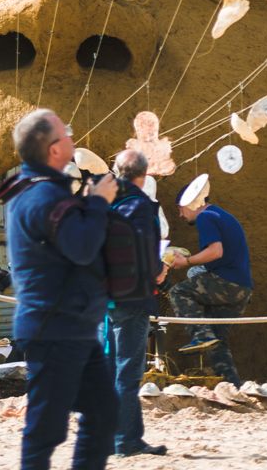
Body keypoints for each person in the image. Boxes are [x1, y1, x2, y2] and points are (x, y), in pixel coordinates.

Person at [0, 109, 118, 470]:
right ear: (53, 150)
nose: (71, 136)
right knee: (46, 429)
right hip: (55, 328)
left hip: (73, 327)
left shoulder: (35, 190)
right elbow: (81, 248)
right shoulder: (44, 197)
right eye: (65, 133)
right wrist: (98, 202)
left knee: (102, 412)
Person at [162, 174, 252, 386]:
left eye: (179, 208)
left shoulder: (206, 217)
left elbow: (215, 251)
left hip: (227, 283)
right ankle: (232, 385)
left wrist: (187, 261)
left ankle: (199, 334)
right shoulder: (219, 214)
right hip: (242, 289)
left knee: (178, 292)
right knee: (217, 341)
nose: (180, 215)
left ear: (189, 203)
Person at [105, 151, 167, 460]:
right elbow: (146, 253)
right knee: (128, 374)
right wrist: (160, 270)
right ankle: (125, 442)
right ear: (145, 175)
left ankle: (114, 437)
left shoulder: (105, 203)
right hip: (134, 297)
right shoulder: (141, 207)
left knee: (113, 369)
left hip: (107, 298)